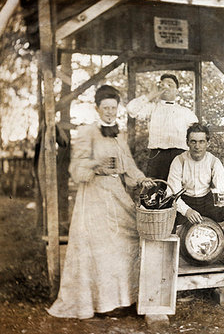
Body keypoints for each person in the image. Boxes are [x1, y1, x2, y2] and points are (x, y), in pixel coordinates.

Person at [48, 85, 156, 319]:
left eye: (113, 108)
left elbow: (128, 166)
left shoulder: (119, 134)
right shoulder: (88, 132)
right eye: (105, 108)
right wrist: (95, 167)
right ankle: (102, 303)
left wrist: (142, 179)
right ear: (97, 109)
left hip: (116, 194)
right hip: (94, 197)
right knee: (100, 248)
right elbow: (75, 168)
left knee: (129, 239)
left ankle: (125, 298)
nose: (109, 112)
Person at [167, 123, 224, 270]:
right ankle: (169, 260)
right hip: (186, 202)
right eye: (193, 141)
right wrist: (187, 211)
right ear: (187, 143)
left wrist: (223, 199)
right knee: (167, 212)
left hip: (207, 201)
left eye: (201, 141)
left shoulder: (213, 161)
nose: (197, 146)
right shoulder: (179, 161)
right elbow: (172, 195)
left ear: (208, 143)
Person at [126, 73, 198, 180]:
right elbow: (131, 109)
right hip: (157, 157)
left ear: (177, 90)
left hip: (180, 156)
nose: (166, 88)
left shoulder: (186, 113)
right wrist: (152, 94)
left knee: (179, 191)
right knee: (154, 192)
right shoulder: (152, 109)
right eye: (163, 85)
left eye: (170, 85)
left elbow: (197, 136)